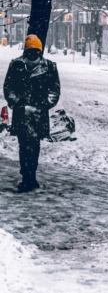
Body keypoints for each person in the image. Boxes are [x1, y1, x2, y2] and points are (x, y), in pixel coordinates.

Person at [2, 35, 60, 192]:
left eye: (35, 52)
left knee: (34, 146)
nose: (33, 55)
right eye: (30, 52)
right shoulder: (16, 65)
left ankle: (31, 175)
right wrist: (16, 101)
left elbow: (54, 90)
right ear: (26, 51)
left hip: (38, 114)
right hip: (21, 113)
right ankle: (26, 176)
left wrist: (45, 104)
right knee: (23, 145)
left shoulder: (49, 66)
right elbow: (8, 87)